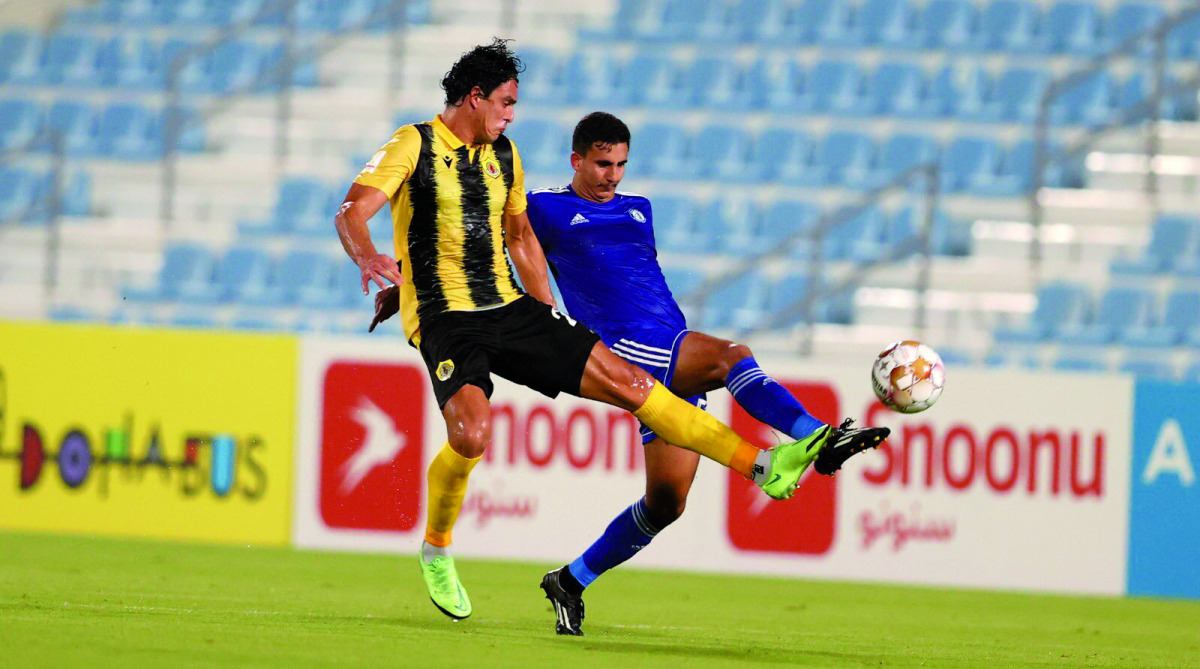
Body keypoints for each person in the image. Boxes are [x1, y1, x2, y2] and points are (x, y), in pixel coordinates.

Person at [352, 42, 885, 625]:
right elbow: (391, 219)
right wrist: (383, 267)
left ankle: (575, 577)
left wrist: (543, 320)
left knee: (667, 502)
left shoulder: (572, 181)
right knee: (479, 433)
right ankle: (438, 547)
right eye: (506, 102)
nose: (512, 114)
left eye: (620, 165)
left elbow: (516, 238)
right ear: (477, 98)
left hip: (570, 320)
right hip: (486, 324)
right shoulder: (450, 159)